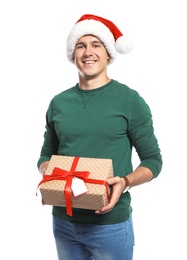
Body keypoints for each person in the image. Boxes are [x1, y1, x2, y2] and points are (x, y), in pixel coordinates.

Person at [37, 14, 162, 260]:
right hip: (63, 222)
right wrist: (51, 173)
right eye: (81, 46)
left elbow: (153, 160)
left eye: (96, 45)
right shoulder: (58, 103)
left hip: (110, 224)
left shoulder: (129, 101)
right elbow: (44, 156)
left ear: (108, 54)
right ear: (73, 54)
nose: (88, 52)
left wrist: (124, 182)